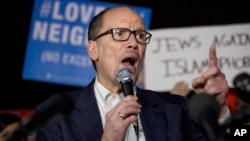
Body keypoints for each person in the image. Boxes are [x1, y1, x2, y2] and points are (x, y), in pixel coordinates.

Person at [35, 6, 230, 141]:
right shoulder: (56, 115)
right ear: (93, 50)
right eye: (119, 34)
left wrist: (219, 111)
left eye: (140, 35)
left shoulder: (175, 108)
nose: (133, 43)